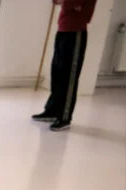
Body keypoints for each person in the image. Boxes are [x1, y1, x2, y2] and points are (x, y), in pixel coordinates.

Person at [33, 0, 98, 131]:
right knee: (57, 73)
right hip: (63, 30)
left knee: (69, 77)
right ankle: (52, 111)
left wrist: (68, 3)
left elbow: (69, 3)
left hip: (76, 32)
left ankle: (65, 117)